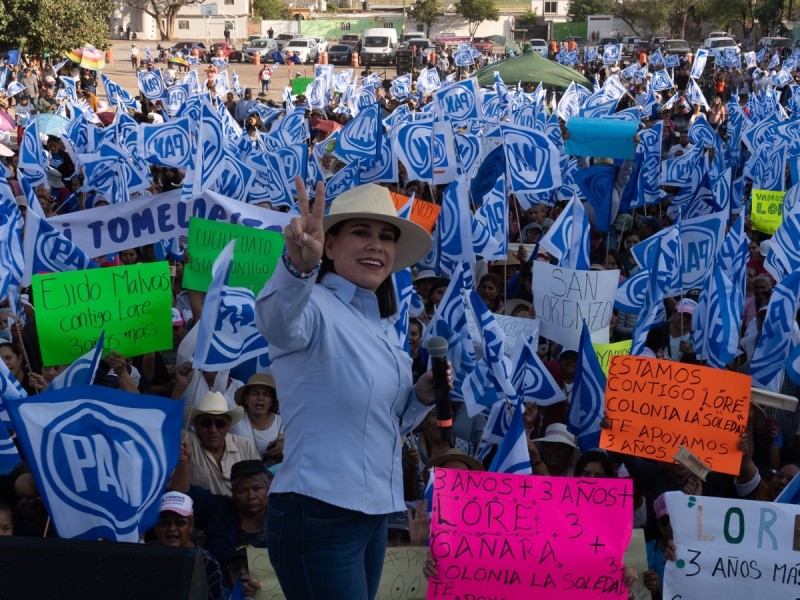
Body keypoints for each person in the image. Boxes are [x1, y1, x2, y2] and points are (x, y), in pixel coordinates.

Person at [254, 181, 440, 599]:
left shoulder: (383, 328)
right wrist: (297, 267)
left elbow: (384, 419)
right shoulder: (313, 304)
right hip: (317, 512)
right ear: (330, 245)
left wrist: (421, 397)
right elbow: (276, 323)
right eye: (362, 232)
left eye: (386, 237)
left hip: (372, 514)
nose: (376, 245)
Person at [184, 391, 260, 496]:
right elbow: (165, 424)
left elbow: (258, 484)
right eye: (206, 423)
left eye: (220, 423)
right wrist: (180, 387)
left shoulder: (246, 446)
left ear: (228, 426)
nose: (213, 430)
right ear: (196, 426)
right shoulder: (186, 441)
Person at [150, 492, 223, 600]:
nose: (172, 528)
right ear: (156, 526)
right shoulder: (141, 555)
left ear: (191, 525)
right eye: (164, 523)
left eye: (180, 522)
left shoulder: (206, 563)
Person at [230, 374, 283, 464]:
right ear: (246, 398)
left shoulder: (282, 423)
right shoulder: (235, 420)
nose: (260, 398)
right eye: (255, 393)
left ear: (272, 401)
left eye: (266, 395)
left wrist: (284, 448)